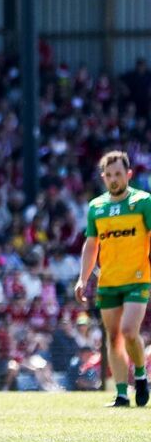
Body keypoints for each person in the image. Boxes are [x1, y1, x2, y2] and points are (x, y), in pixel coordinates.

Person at [75, 150, 151, 407]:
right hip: (108, 281)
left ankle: (140, 375)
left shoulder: (143, 202)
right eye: (109, 175)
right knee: (114, 336)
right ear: (103, 177)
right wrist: (82, 278)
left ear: (128, 174)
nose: (114, 179)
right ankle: (121, 394)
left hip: (138, 278)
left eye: (118, 173)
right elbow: (91, 245)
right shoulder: (97, 207)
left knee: (130, 330)